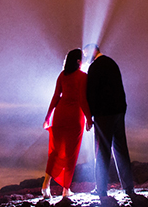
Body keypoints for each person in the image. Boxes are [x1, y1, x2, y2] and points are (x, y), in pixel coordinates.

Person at [84, 43, 135, 197]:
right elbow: (120, 87)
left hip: (103, 114)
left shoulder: (95, 67)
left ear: (93, 51)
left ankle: (101, 189)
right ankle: (128, 188)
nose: (86, 57)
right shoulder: (112, 63)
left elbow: (90, 93)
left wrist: (90, 116)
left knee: (102, 152)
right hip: (119, 111)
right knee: (121, 149)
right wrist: (122, 108)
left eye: (86, 54)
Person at [42, 48, 92, 198]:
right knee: (71, 154)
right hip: (75, 116)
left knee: (55, 152)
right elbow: (83, 99)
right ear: (78, 61)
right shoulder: (83, 77)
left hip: (60, 114)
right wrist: (89, 118)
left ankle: (45, 186)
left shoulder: (62, 76)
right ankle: (65, 190)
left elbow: (56, 96)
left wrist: (48, 116)